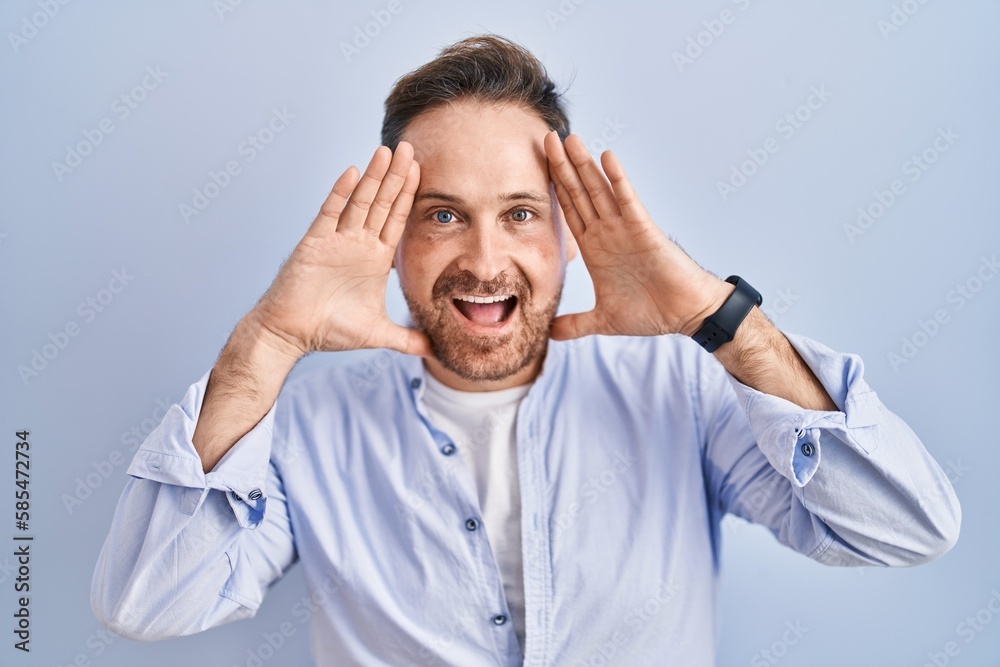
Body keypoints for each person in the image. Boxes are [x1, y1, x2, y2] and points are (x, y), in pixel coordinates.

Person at [91, 34, 961, 666]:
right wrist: (267, 342)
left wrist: (718, 317)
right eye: (441, 215)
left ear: (570, 237)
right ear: (391, 236)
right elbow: (147, 602)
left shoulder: (680, 392)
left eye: (519, 213)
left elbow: (908, 528)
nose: (482, 258)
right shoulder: (309, 426)